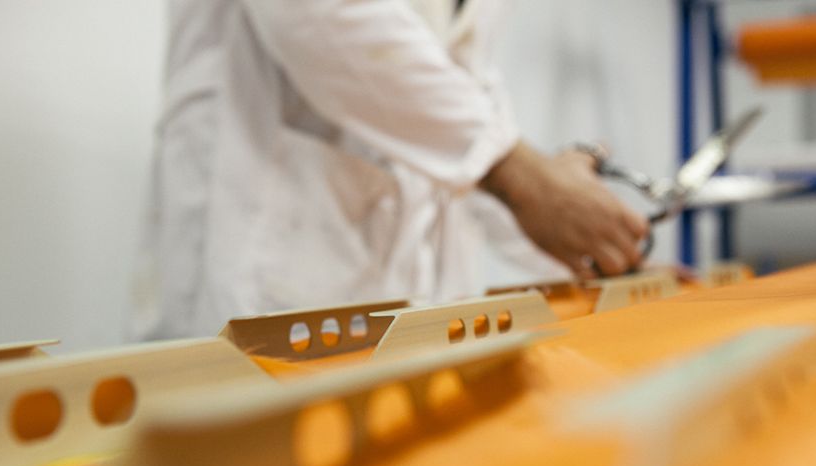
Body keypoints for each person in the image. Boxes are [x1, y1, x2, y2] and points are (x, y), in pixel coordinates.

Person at [132, 0, 648, 340]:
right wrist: (520, 174)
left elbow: (460, 89)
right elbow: (322, 16)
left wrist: (566, 219)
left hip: (407, 301)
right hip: (258, 254)